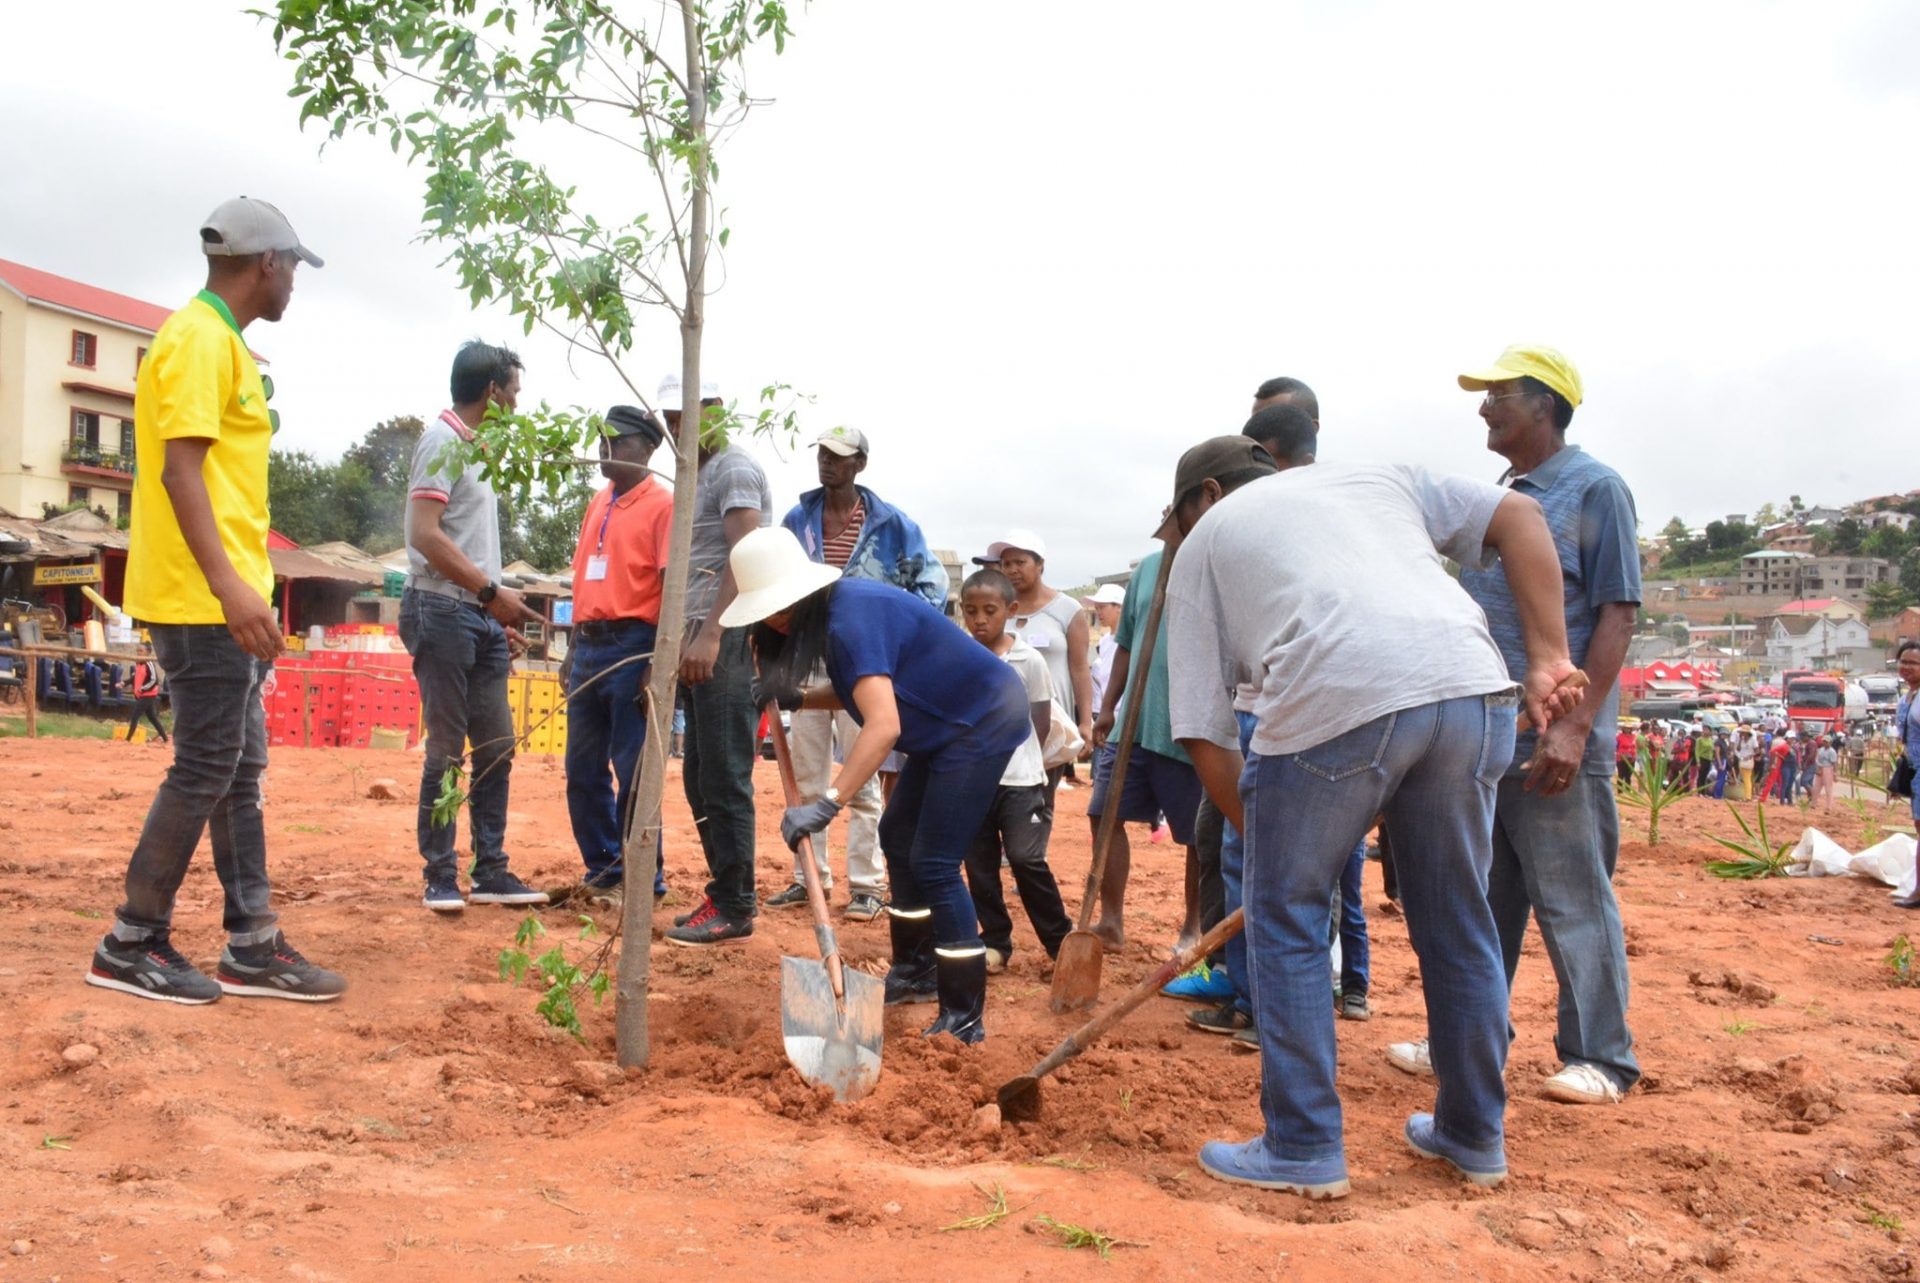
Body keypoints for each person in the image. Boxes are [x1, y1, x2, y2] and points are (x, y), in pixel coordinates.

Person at [1165, 433, 1586, 1197]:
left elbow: (1203, 730)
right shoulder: (1375, 474)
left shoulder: (1202, 547)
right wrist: (1549, 654)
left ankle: (1302, 1145)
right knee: (1458, 919)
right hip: (1467, 686)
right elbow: (1521, 515)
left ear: (1204, 499)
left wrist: (1270, 858)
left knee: (1286, 918)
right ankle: (1471, 1134)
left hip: (1333, 691)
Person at [86, 196, 345, 1004]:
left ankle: (252, 940)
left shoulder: (217, 343)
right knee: (206, 763)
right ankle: (131, 939)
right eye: (294, 266)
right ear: (266, 262)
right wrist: (232, 586)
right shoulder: (199, 340)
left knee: (237, 766)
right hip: (203, 600)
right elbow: (180, 472)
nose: (296, 283)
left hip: (220, 594)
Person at [1386, 346, 1640, 1108]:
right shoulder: (1504, 494)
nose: (1484, 407)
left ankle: (1601, 1055)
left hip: (1554, 736)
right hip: (1490, 734)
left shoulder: (1595, 488)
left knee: (1573, 896)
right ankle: (1470, 1036)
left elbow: (1618, 612)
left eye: (1499, 393)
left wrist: (1574, 727)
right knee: (1483, 897)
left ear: (1546, 403)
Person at [729, 528, 1030, 1043]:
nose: (772, 625)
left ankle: (964, 1012)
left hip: (978, 724)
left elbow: (883, 724)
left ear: (789, 605)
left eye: (773, 615)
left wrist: (828, 802)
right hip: (944, 728)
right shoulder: (837, 614)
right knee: (897, 836)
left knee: (935, 861)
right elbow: (865, 694)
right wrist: (801, 699)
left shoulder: (850, 621)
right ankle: (915, 971)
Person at [773, 425, 947, 922]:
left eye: (840, 456)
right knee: (806, 774)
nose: (828, 463)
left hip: (868, 658)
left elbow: (931, 589)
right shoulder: (797, 519)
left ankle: (867, 885)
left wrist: (897, 642)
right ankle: (809, 876)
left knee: (864, 773)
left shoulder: (893, 526)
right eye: (823, 454)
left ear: (860, 465)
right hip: (809, 654)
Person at [401, 341, 548, 915]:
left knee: (495, 746)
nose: (517, 401)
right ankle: (440, 874)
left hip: (473, 613)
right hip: (442, 609)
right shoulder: (441, 442)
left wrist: (490, 610)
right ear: (493, 391)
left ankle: (490, 871)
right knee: (446, 749)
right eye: (514, 390)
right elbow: (424, 534)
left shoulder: (475, 449)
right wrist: (491, 594)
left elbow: (458, 540)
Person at [662, 374, 772, 947]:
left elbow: (744, 553)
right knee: (698, 774)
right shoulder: (697, 474)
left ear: (716, 410)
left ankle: (737, 904)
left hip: (724, 634)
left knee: (725, 774)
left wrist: (710, 634)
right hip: (696, 633)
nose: (676, 427)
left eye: (685, 415)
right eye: (670, 419)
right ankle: (724, 889)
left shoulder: (732, 468)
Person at [561, 405, 674, 903]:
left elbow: (672, 589)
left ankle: (644, 879)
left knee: (634, 772)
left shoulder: (664, 505)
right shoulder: (597, 501)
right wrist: (570, 649)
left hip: (633, 647)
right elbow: (583, 577)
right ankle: (604, 868)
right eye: (601, 438)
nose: (604, 448)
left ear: (648, 449)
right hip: (587, 645)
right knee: (582, 769)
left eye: (617, 440)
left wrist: (658, 661)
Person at [956, 568, 1072, 970]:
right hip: (973, 779)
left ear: (1011, 610)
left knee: (1025, 858)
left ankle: (1062, 943)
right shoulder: (960, 655)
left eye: (990, 610)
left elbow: (1040, 718)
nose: (980, 620)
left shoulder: (1029, 660)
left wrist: (1023, 760)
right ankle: (996, 942)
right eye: (971, 611)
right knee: (980, 863)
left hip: (1020, 780)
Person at [980, 531, 1092, 802]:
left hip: (1050, 728)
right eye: (1006, 564)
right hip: (1000, 725)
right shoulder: (995, 609)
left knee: (1037, 804)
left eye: (1020, 562)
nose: (1012, 570)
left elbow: (1079, 669)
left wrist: (1085, 721)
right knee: (996, 801)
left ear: (1040, 564)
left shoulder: (1067, 609)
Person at [1086, 583, 1126, 713]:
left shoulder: (1132, 640)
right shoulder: (1103, 642)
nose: (1098, 613)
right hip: (1108, 712)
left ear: (1119, 607)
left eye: (1102, 607)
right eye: (1096, 608)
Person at [126, 658, 169, 743]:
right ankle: (165, 738)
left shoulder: (149, 664)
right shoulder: (138, 664)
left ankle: (127, 739)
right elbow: (134, 677)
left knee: (135, 716)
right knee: (152, 718)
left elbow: (154, 680)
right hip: (142, 694)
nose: (139, 653)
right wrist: (124, 683)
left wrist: (142, 689)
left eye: (141, 651)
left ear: (147, 653)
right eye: (138, 651)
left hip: (148, 694)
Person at [1813, 735, 1839, 811]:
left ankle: (1829, 806)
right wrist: (1818, 768)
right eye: (1824, 741)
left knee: (1828, 788)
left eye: (1826, 742)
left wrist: (1835, 773)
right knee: (1816, 787)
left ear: (1830, 743)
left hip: (1828, 769)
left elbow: (1834, 763)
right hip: (1820, 768)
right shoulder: (1820, 750)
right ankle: (1814, 803)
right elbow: (1817, 759)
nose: (1825, 743)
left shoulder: (1832, 751)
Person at [1734, 727, 1758, 799]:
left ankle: (1748, 796)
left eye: (1743, 732)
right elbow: (1738, 749)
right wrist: (1740, 740)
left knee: (1747, 778)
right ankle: (1747, 795)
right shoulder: (1742, 740)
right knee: (1745, 779)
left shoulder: (1753, 740)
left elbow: (1757, 750)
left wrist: (1750, 756)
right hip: (1742, 759)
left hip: (1748, 760)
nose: (1741, 734)